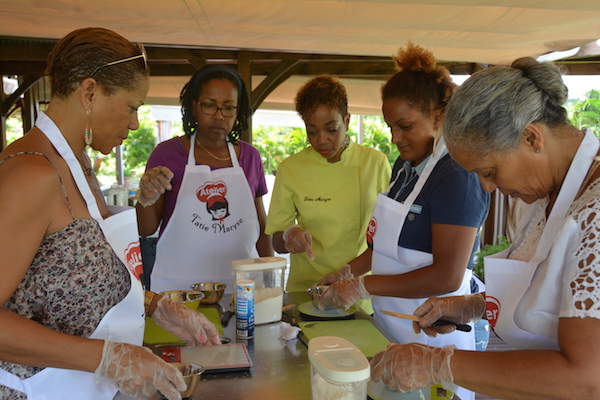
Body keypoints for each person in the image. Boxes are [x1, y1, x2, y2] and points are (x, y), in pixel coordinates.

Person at [0, 27, 220, 400]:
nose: (134, 123)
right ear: (89, 93)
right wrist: (107, 358)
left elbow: (81, 275)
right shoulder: (31, 173)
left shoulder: (80, 166)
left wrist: (156, 306)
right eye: (132, 107)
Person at [370, 57, 600, 399]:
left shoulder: (593, 212)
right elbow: (550, 294)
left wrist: (437, 364)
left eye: (489, 171)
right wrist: (475, 305)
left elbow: (587, 378)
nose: (488, 188)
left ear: (532, 138)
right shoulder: (549, 192)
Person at [317, 43, 489, 400]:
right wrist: (348, 272)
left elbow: (447, 275)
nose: (395, 138)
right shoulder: (404, 167)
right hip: (391, 328)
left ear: (439, 117)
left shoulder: (455, 175)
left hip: (434, 342)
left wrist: (365, 287)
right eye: (390, 126)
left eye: (405, 126)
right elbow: (386, 247)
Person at [136, 65, 273, 292]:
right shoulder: (167, 153)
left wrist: (269, 279)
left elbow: (260, 225)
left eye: (228, 108)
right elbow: (145, 228)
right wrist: (147, 195)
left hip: (241, 287)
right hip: (179, 289)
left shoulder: (250, 157)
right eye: (209, 105)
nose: (219, 116)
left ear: (238, 112)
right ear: (194, 107)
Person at [265, 74, 391, 295]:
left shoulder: (375, 163)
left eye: (331, 129)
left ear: (348, 121)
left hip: (357, 289)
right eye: (312, 131)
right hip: (306, 289)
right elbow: (276, 241)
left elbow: (389, 233)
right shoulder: (290, 169)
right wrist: (290, 237)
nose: (322, 140)